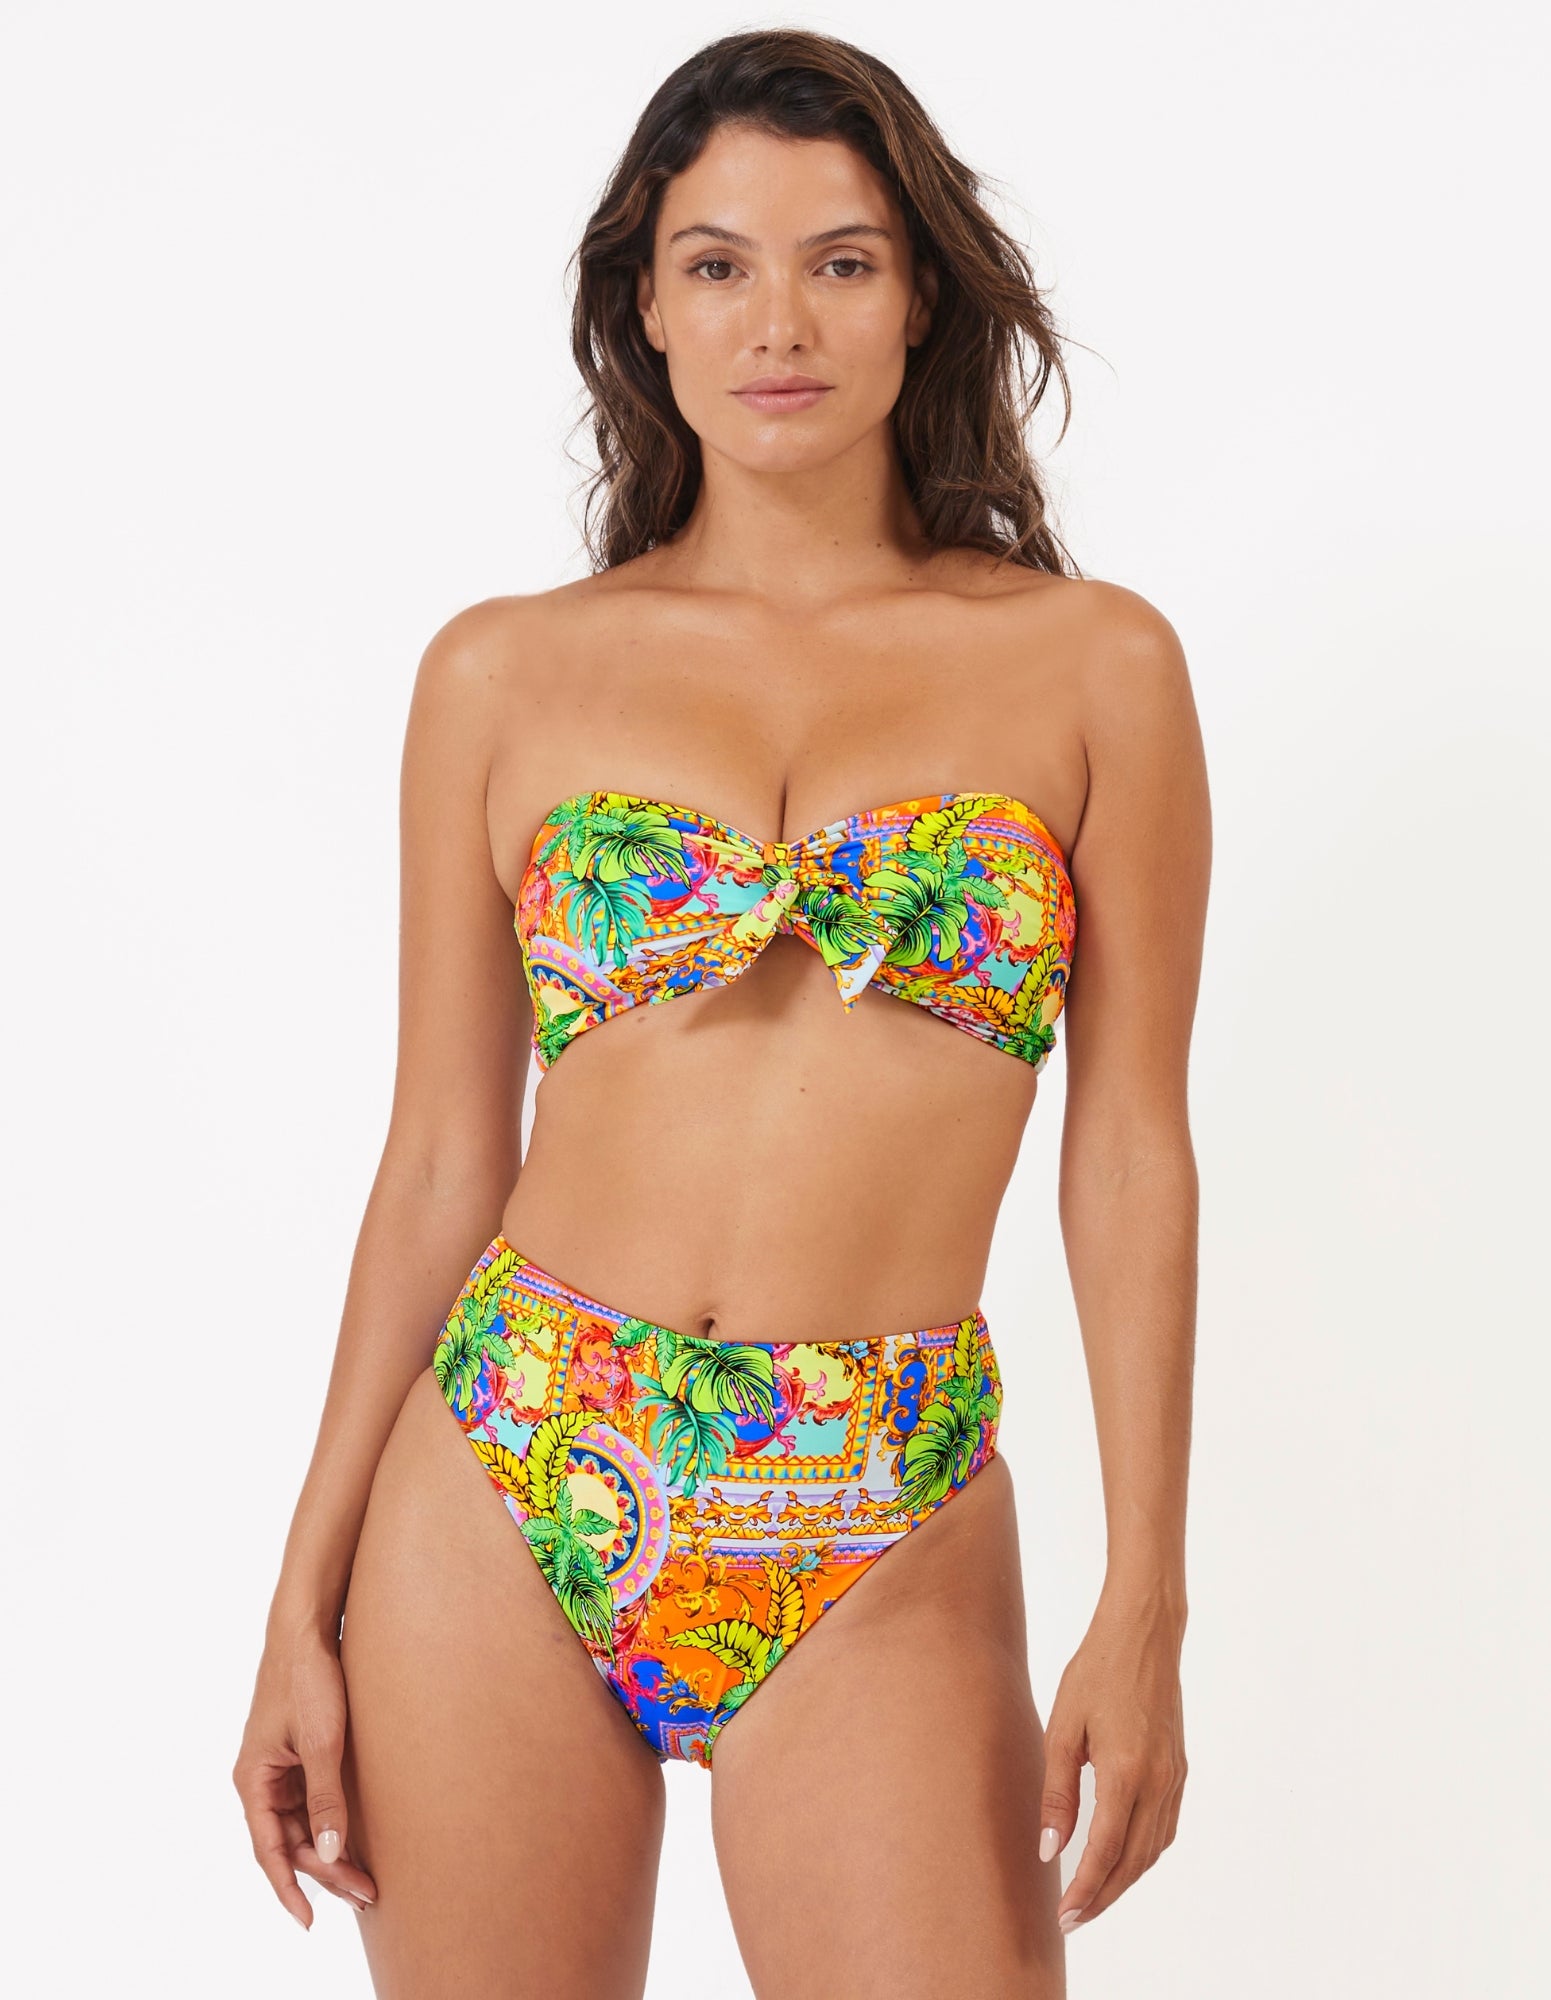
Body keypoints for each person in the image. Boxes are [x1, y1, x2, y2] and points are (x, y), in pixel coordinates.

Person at [234, 26, 1209, 1996]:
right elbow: (438, 1158)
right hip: (510, 1458)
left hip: (879, 1494)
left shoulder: (1093, 667)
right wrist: (297, 1594)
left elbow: (1128, 1152)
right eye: (717, 263)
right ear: (646, 308)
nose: (780, 322)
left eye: (841, 261)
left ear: (920, 295)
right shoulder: (502, 677)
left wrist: (1147, 1597)